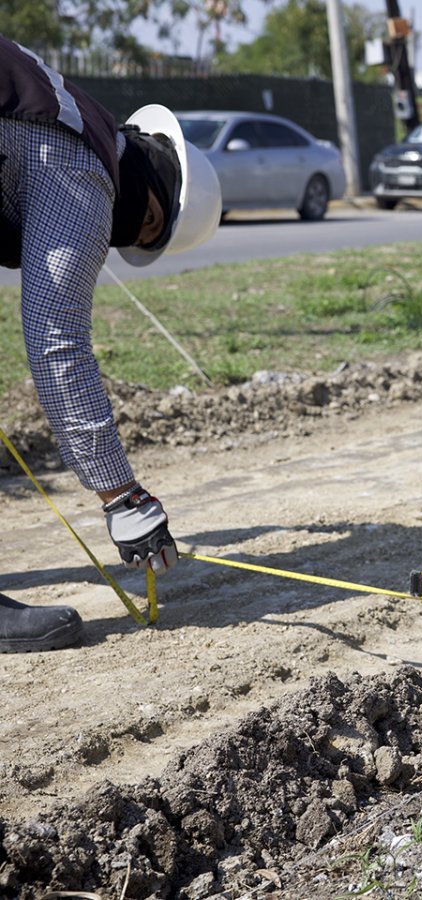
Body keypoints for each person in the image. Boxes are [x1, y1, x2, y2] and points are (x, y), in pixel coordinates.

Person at [1, 35, 222, 652]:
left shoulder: (64, 111)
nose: (130, 234)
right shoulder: (81, 167)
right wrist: (123, 496)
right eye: (147, 223)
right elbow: (56, 341)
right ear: (151, 180)